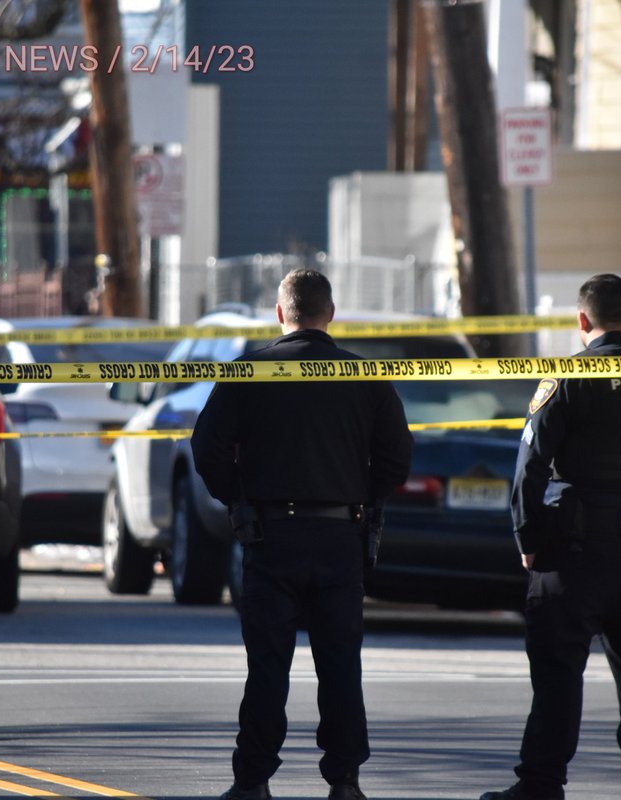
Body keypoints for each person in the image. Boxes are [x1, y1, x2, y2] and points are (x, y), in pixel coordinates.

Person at [480, 274, 621, 800]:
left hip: (572, 552)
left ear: (582, 322)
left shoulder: (569, 377)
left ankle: (540, 786)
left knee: (559, 673)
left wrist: (528, 538)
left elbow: (529, 466)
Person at [192, 269, 413, 800]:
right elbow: (397, 458)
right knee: (341, 665)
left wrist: (239, 497)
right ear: (330, 315)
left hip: (272, 536)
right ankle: (345, 781)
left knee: (267, 665)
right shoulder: (365, 377)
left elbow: (207, 449)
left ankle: (253, 781)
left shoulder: (251, 371)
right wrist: (363, 496)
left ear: (279, 313)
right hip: (341, 537)